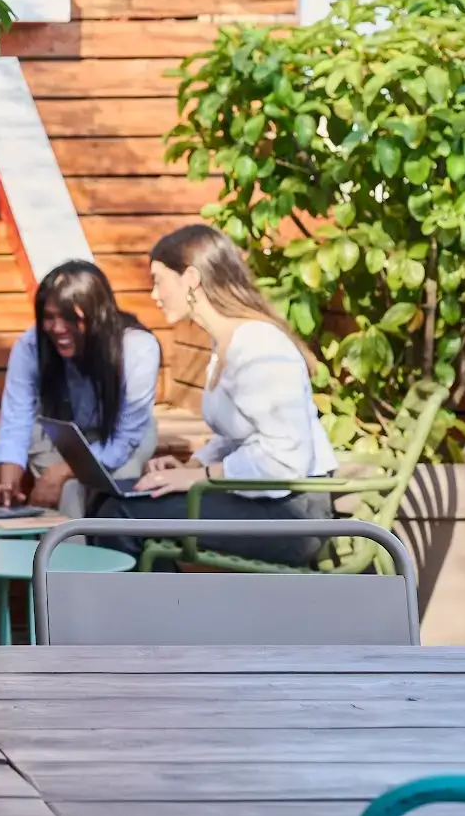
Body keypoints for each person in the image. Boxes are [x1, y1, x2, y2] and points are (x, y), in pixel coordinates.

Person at [93, 224, 339, 566]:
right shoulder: (225, 343)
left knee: (118, 516)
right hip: (263, 501)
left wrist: (198, 477)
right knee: (110, 502)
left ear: (190, 278)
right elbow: (236, 437)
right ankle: (160, 614)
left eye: (158, 280)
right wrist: (192, 465)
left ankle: (152, 617)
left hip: (293, 513)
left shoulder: (259, 346)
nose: (154, 294)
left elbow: (284, 461)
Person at [0, 260, 161, 517]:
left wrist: (59, 472)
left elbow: (122, 441)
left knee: (111, 499)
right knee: (69, 493)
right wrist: (8, 483)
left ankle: (111, 554)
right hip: (63, 432)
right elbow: (16, 420)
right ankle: (66, 555)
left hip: (120, 437)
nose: (58, 328)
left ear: (99, 315)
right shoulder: (31, 345)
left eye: (71, 318)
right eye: (49, 317)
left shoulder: (137, 348)